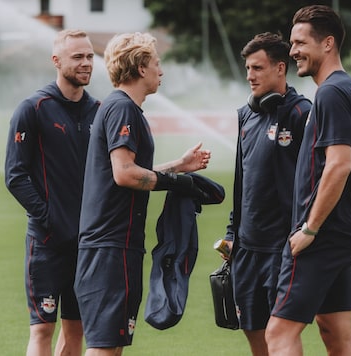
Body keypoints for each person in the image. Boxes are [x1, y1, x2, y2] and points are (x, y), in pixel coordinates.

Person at [74, 32, 211, 356]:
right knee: (104, 348)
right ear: (139, 67)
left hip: (117, 245)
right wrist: (177, 183)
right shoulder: (122, 108)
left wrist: (179, 166)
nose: (160, 72)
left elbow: (126, 170)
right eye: (156, 63)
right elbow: (124, 174)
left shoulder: (124, 108)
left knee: (113, 345)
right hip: (110, 246)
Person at [265, 5, 351, 356]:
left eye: (300, 42)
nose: (293, 50)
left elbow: (340, 166)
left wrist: (310, 228)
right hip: (345, 229)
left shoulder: (329, 93)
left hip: (322, 234)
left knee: (278, 334)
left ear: (327, 44)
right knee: (335, 332)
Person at [4, 29, 100, 356]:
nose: (86, 63)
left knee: (77, 329)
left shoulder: (100, 112)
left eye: (89, 56)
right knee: (43, 328)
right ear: (57, 61)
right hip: (46, 242)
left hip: (87, 242)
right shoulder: (33, 108)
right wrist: (49, 217)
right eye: (78, 57)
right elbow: (15, 175)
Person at [220, 32, 311, 355]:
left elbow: (317, 180)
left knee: (280, 334)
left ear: (280, 68)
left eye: (257, 68)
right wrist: (232, 232)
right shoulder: (245, 115)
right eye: (247, 68)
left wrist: (305, 230)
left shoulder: (302, 114)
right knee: (254, 334)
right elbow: (241, 181)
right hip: (246, 248)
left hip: (282, 248)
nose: (250, 76)